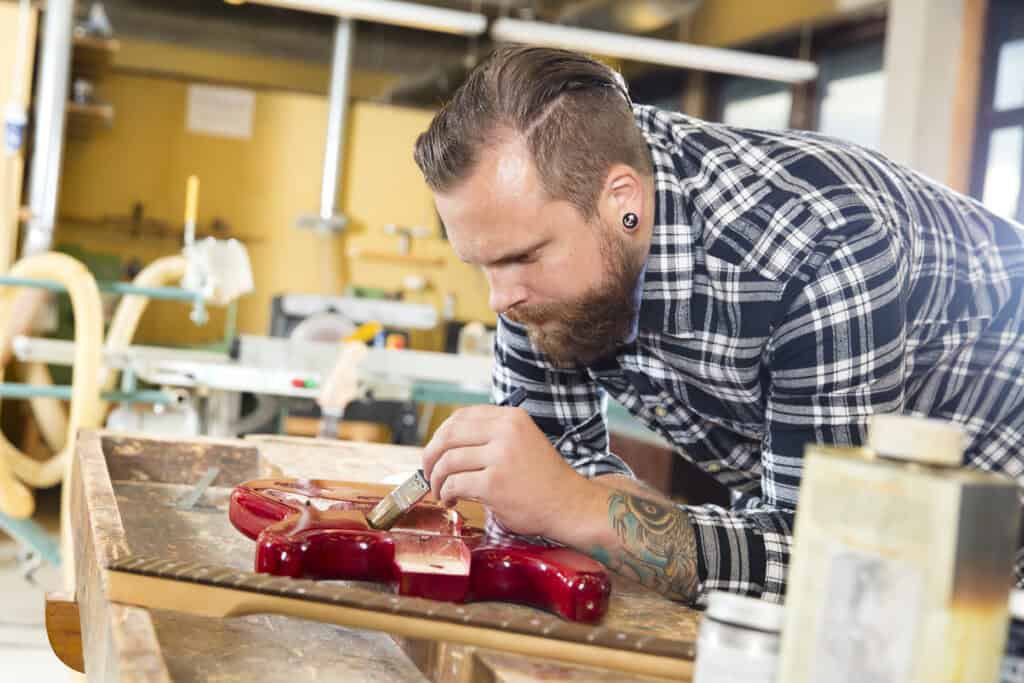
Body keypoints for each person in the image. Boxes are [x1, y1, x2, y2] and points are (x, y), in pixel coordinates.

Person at [412, 46, 1024, 605]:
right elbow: (551, 468)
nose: (500, 299)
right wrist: (569, 501)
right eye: (482, 264)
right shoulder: (553, 220)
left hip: (998, 454)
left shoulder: (815, 247)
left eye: (521, 257)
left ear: (621, 201)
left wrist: (579, 506)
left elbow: (831, 562)